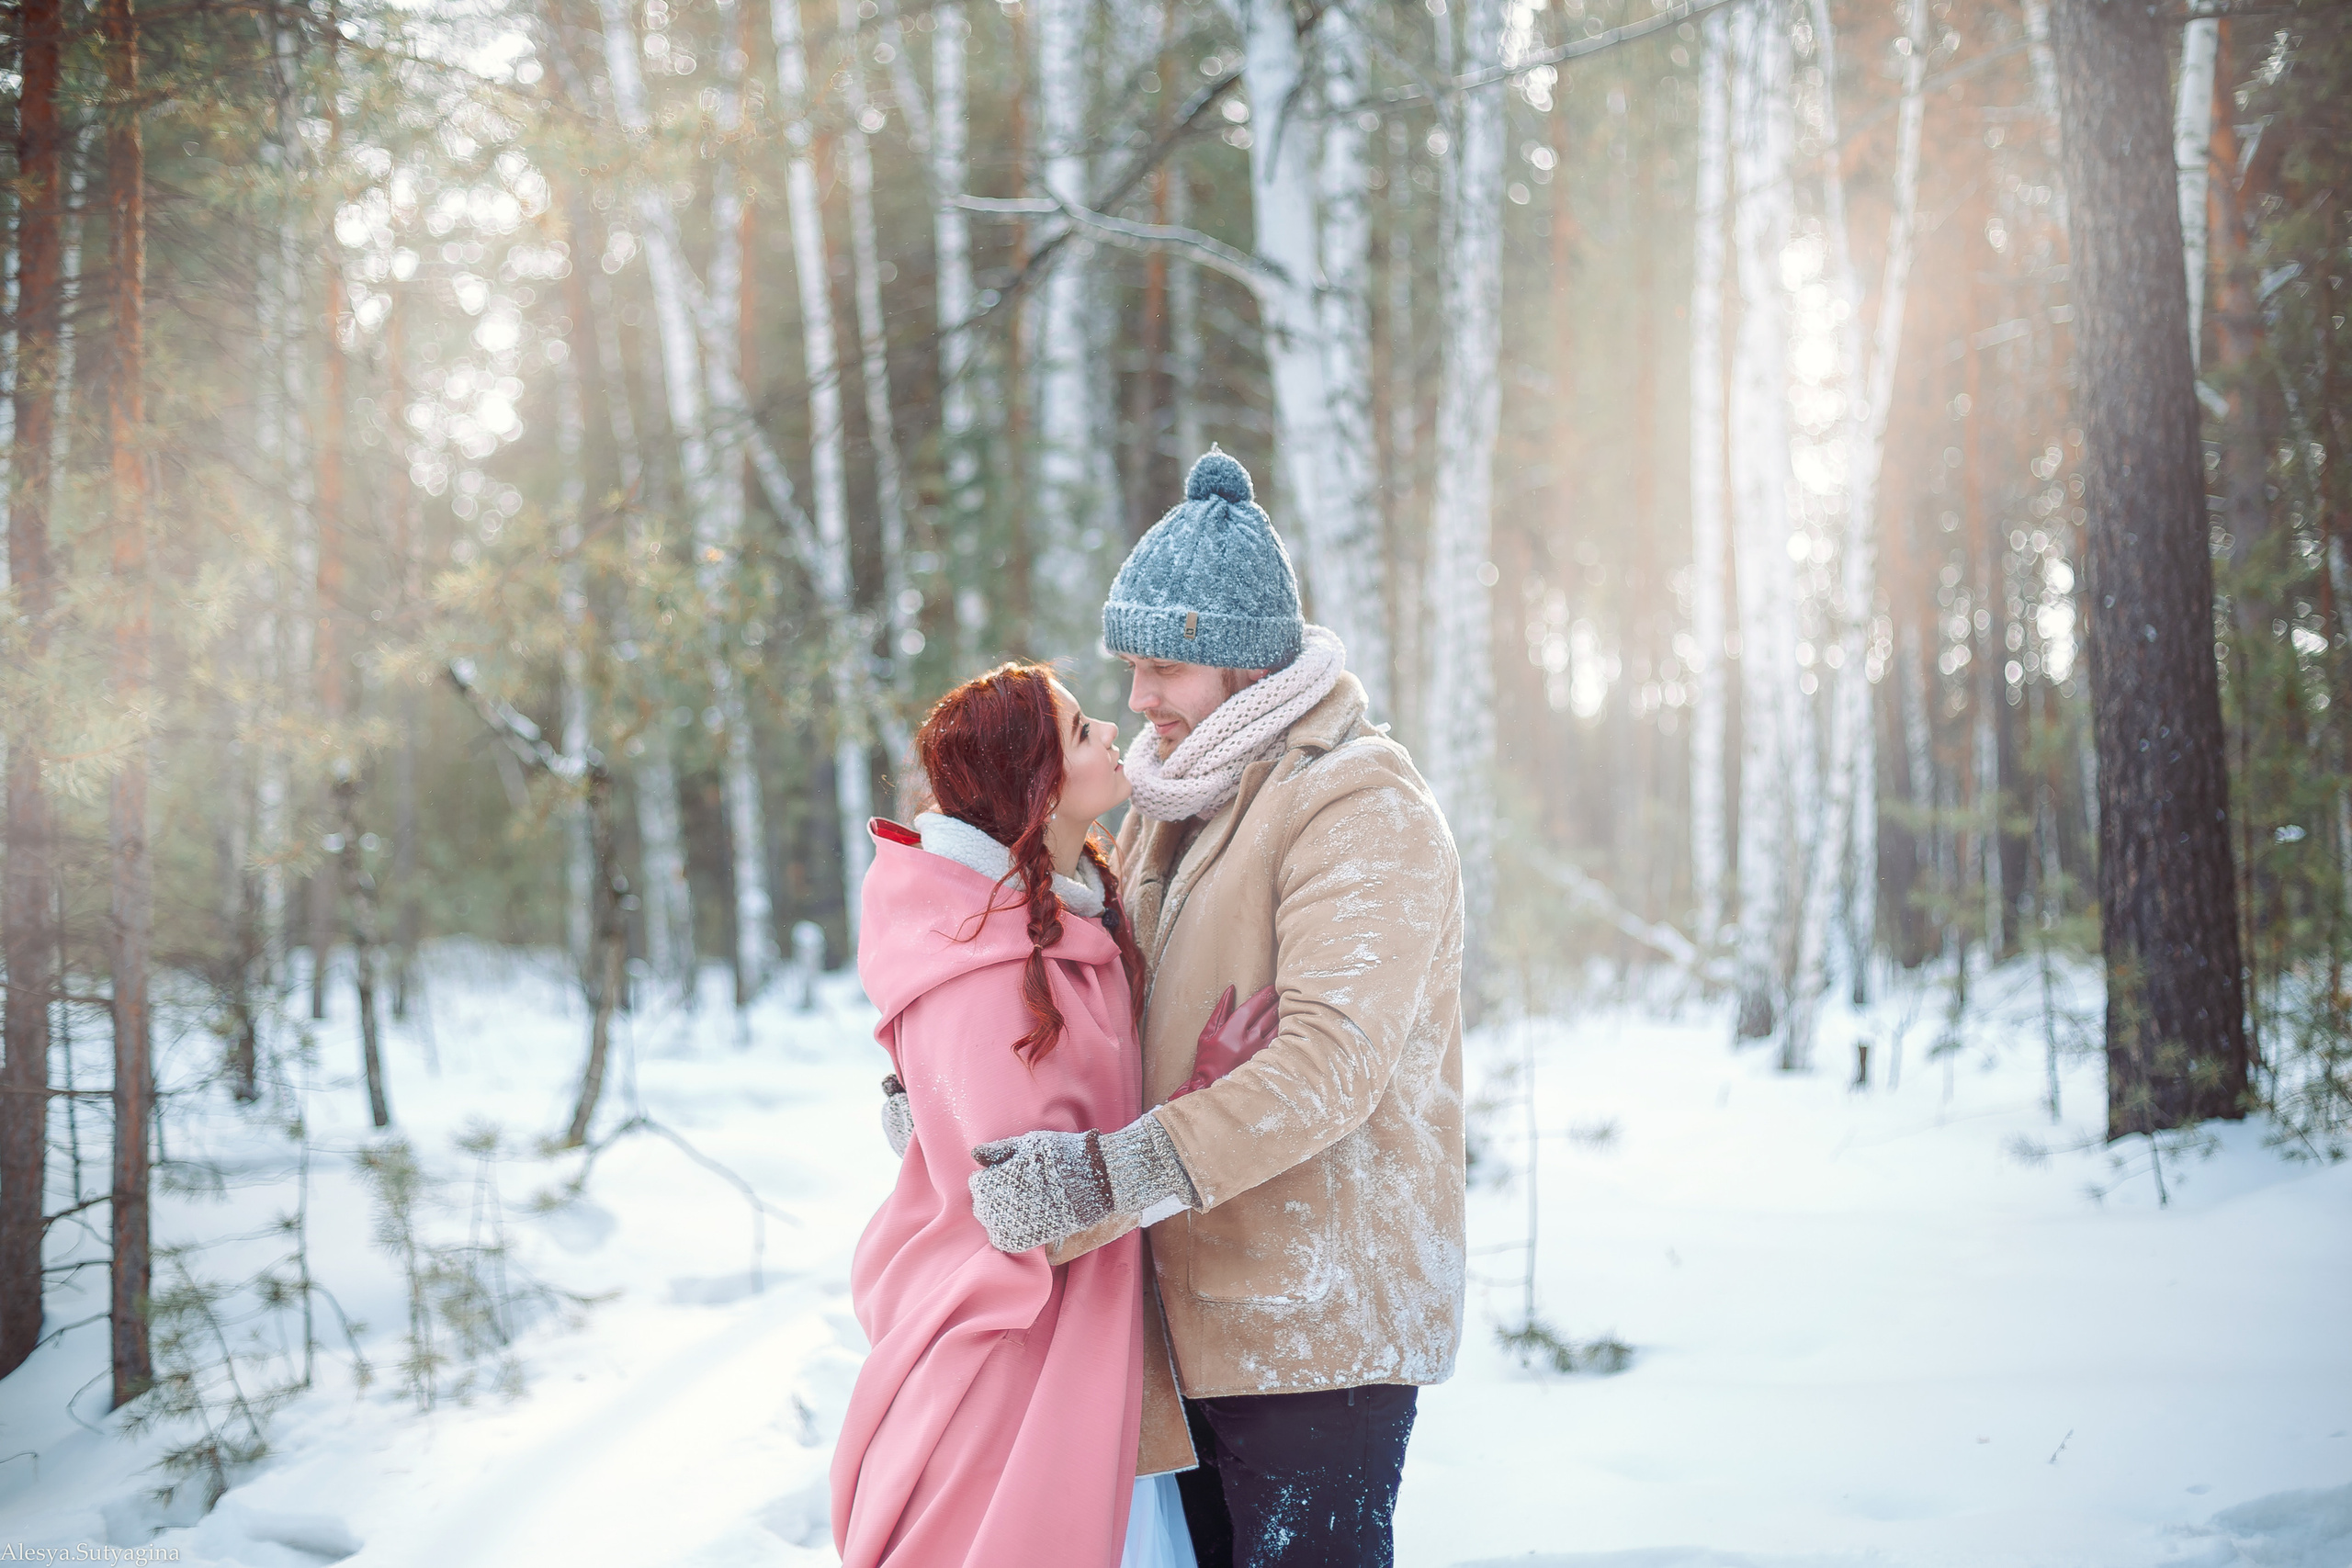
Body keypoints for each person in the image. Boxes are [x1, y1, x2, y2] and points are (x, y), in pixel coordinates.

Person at [961, 449, 1469, 1568]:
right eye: (1131, 670)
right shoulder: (1167, 800)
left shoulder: (1357, 803)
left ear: (1241, 667)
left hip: (1310, 1329)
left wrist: (1105, 1177)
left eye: (1163, 670)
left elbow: (1329, 1065)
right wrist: (957, 1089)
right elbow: (1092, 998)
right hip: (1176, 1319)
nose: (1138, 699)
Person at [831, 663, 1205, 1568]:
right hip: (1015, 1345)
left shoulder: (1058, 916)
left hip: (1087, 1330)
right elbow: (1015, 1200)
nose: (1112, 732)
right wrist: (1196, 1115)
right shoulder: (983, 965)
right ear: (1032, 787)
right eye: (1081, 732)